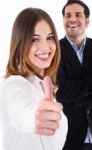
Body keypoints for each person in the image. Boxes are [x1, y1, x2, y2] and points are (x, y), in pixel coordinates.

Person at [0, 7, 68, 150]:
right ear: (20, 44)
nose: (45, 47)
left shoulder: (45, 87)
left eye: (49, 38)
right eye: (34, 40)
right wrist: (34, 118)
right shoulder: (14, 83)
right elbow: (20, 109)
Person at [56, 0, 92, 150]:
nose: (72, 19)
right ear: (63, 21)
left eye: (78, 15)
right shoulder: (55, 51)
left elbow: (67, 91)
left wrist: (74, 94)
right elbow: (60, 91)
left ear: (87, 21)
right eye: (68, 15)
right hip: (70, 136)